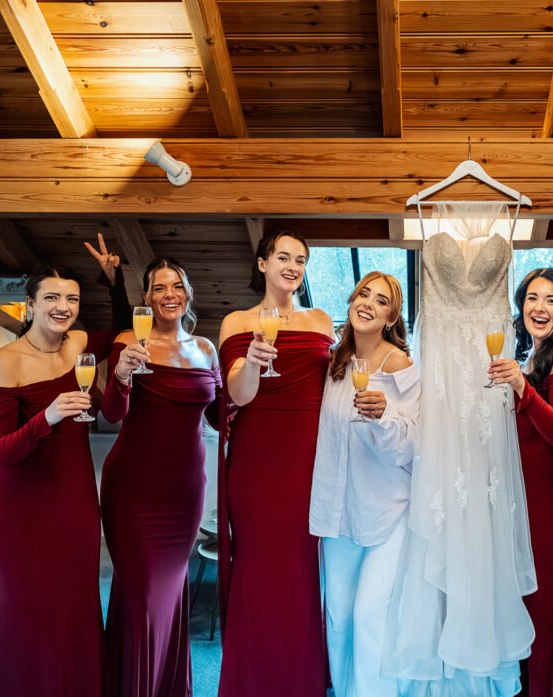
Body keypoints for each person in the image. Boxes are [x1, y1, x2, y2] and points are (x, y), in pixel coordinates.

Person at [383, 203, 535, 696]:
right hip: (444, 374)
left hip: (487, 378)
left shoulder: (511, 218)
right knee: (446, 499)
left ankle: (475, 652)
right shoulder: (426, 215)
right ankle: (442, 655)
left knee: (481, 504)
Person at [0, 235, 129, 697]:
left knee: (76, 610)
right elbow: (0, 453)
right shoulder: (4, 363)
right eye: (52, 298)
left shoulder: (78, 344)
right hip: (18, 514)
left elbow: (124, 331)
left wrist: (114, 280)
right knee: (29, 619)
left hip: (75, 504)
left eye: (71, 299)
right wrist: (47, 418)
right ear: (30, 304)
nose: (63, 307)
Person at [217, 230, 335, 696]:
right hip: (257, 463)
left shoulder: (323, 320)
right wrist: (250, 361)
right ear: (263, 263)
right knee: (260, 573)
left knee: (303, 575)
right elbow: (238, 395)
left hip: (310, 460)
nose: (292, 266)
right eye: (283, 257)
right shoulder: (236, 322)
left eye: (300, 260)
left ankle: (300, 682)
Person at [100, 258, 220, 697]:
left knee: (169, 596)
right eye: (159, 288)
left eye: (177, 286)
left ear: (187, 293)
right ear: (146, 298)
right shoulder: (128, 341)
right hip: (133, 491)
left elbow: (220, 415)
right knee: (142, 597)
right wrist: (120, 375)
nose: (169, 294)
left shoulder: (206, 349)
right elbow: (111, 413)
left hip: (184, 492)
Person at [311, 271, 420, 697]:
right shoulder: (334, 362)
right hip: (339, 509)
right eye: (363, 294)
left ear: (392, 316)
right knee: (337, 615)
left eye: (381, 300)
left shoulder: (402, 367)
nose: (368, 303)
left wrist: (385, 418)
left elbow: (418, 442)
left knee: (370, 614)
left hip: (387, 511)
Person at [487, 267, 553, 697]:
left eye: (551, 300)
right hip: (525, 499)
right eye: (532, 297)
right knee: (527, 608)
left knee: (546, 612)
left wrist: (521, 388)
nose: (539, 307)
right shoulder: (530, 355)